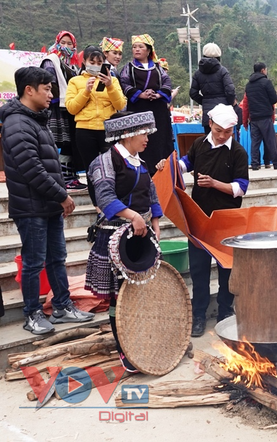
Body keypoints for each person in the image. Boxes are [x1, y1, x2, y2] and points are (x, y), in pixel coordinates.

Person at [0, 66, 95, 335]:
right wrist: (62, 194)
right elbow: (31, 169)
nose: (51, 93)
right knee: (33, 261)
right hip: (31, 207)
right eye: (47, 88)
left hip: (48, 204)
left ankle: (62, 306)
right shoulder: (17, 124)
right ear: (28, 90)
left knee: (57, 258)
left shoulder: (37, 119)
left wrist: (57, 196)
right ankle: (32, 313)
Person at [156, 104, 248, 337]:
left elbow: (241, 188)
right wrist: (168, 166)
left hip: (226, 220)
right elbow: (185, 164)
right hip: (198, 218)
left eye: (227, 132)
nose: (222, 135)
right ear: (210, 124)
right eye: (218, 130)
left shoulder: (237, 151)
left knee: (227, 267)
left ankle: (225, 312)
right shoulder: (199, 144)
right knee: (199, 270)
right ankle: (198, 315)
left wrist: (215, 184)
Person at [85, 110, 162, 372]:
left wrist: (154, 224)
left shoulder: (139, 162)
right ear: (127, 135)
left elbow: (151, 194)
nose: (147, 139)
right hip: (115, 238)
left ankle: (144, 343)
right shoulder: (104, 162)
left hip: (141, 236)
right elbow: (104, 197)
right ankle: (125, 350)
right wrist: (132, 217)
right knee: (120, 298)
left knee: (141, 294)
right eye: (143, 133)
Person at [65, 46, 127, 205]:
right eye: (91, 61)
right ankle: (98, 207)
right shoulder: (75, 81)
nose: (95, 65)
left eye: (99, 62)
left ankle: (114, 203)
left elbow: (121, 104)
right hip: (85, 130)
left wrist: (110, 87)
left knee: (112, 168)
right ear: (84, 62)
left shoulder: (112, 80)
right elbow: (71, 108)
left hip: (108, 130)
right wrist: (85, 91)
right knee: (92, 170)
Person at [119, 34, 174, 174]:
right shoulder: (128, 68)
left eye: (140, 47)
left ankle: (162, 172)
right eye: (134, 47)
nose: (137, 49)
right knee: (140, 139)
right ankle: (141, 172)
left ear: (148, 50)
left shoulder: (157, 68)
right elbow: (124, 83)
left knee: (159, 140)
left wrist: (158, 94)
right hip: (138, 109)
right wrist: (140, 94)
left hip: (158, 111)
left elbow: (167, 83)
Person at [40, 30, 85, 190]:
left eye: (69, 44)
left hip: (71, 107)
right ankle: (63, 177)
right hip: (58, 107)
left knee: (70, 142)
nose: (66, 46)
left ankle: (71, 176)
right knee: (63, 142)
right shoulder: (51, 60)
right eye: (63, 43)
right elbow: (49, 82)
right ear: (57, 43)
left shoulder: (72, 64)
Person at [244, 62, 277, 170]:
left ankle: (255, 163)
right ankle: (276, 163)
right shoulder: (266, 82)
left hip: (253, 118)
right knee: (270, 141)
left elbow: (247, 103)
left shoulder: (248, 85)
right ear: (263, 70)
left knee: (255, 142)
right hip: (265, 116)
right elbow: (274, 99)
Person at [189, 42, 236, 134]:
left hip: (208, 114)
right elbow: (230, 91)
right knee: (224, 143)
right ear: (219, 56)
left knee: (209, 143)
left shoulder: (198, 73)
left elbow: (193, 93)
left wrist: (204, 101)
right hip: (223, 114)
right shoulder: (223, 71)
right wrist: (228, 104)